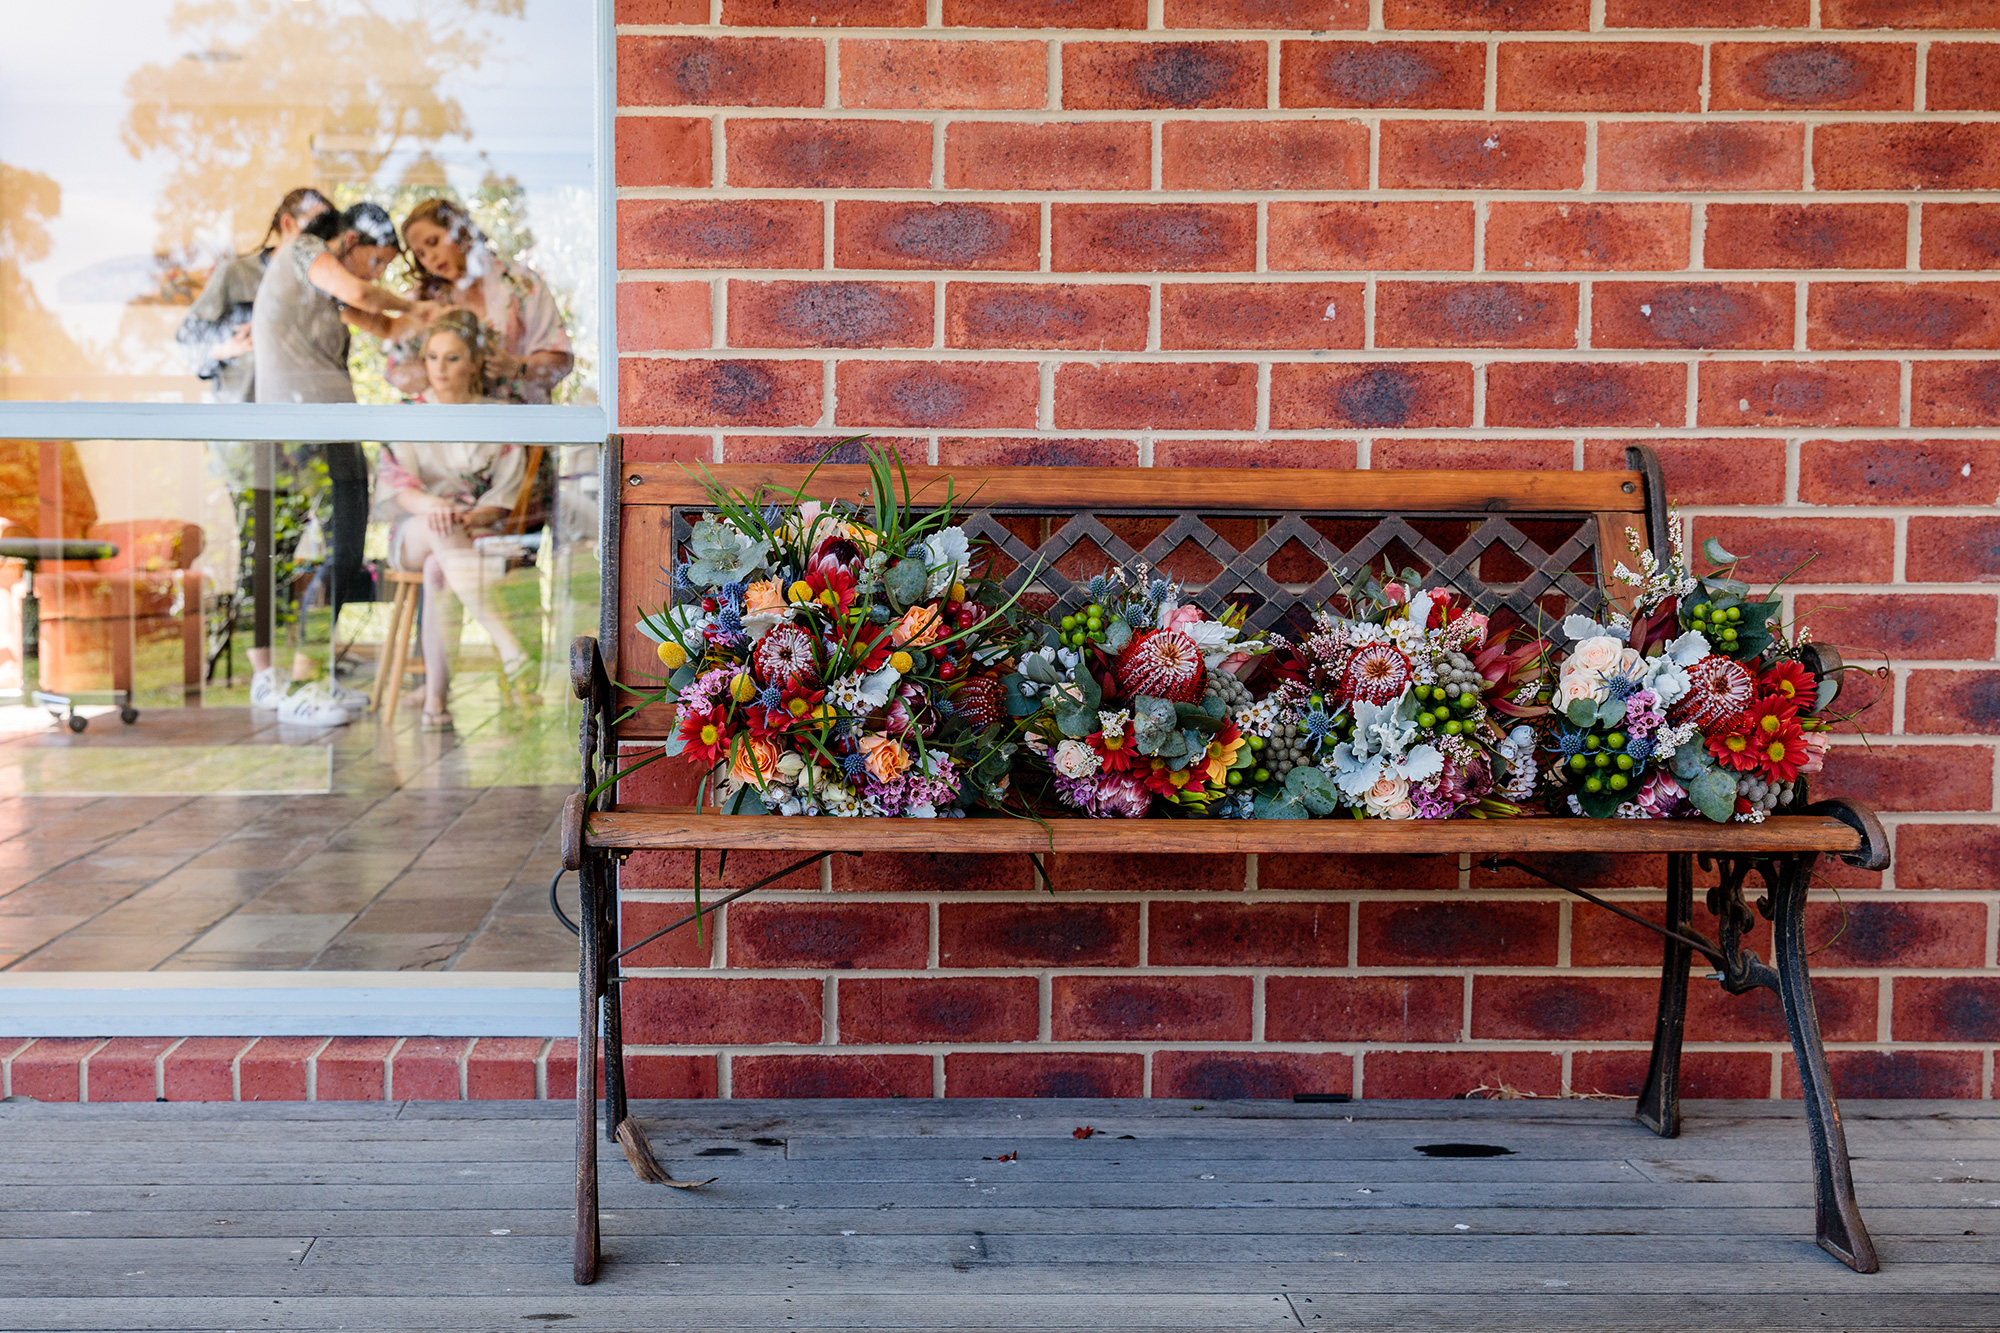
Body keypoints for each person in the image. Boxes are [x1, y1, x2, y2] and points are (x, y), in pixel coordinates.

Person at [252, 201, 433, 727]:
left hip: (331, 422)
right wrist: (407, 305)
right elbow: (360, 293)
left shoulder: (322, 291)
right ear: (351, 241)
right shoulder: (303, 249)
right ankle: (304, 684)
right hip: (306, 422)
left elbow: (379, 322)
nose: (377, 275)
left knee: (349, 552)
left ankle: (318, 674)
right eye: (377, 261)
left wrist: (426, 317)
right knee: (339, 550)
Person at [175, 188, 334, 713]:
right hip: (249, 439)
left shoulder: (320, 277)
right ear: (287, 224)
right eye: (313, 223)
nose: (319, 235)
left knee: (296, 554)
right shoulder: (237, 275)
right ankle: (263, 675)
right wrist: (228, 343)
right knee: (259, 550)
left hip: (303, 434)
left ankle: (298, 667)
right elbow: (187, 340)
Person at [374, 310, 535, 733]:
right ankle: (506, 642)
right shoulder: (409, 412)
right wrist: (436, 508)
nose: (440, 369)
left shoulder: (498, 415)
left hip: (475, 533)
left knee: (438, 568)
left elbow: (501, 501)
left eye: (452, 358)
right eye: (432, 357)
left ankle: (434, 700)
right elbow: (398, 489)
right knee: (435, 531)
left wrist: (461, 516)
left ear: (474, 362)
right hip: (414, 530)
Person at [385, 197, 573, 404]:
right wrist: (434, 369)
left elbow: (562, 362)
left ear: (459, 231)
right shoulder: (421, 300)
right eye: (420, 254)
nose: (430, 256)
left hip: (517, 427)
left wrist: (516, 366)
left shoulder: (519, 284)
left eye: (433, 242)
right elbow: (396, 373)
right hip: (451, 430)